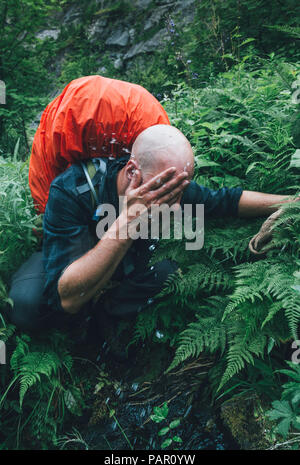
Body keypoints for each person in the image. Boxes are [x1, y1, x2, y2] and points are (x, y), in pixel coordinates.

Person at [7, 77, 295, 338]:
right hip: (71, 256)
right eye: (167, 190)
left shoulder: (165, 184)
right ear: (132, 171)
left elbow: (226, 200)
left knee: (168, 269)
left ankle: (108, 315)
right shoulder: (72, 189)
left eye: (180, 189)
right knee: (25, 305)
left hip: (120, 267)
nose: (175, 202)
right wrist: (129, 220)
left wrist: (291, 204)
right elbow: (67, 297)